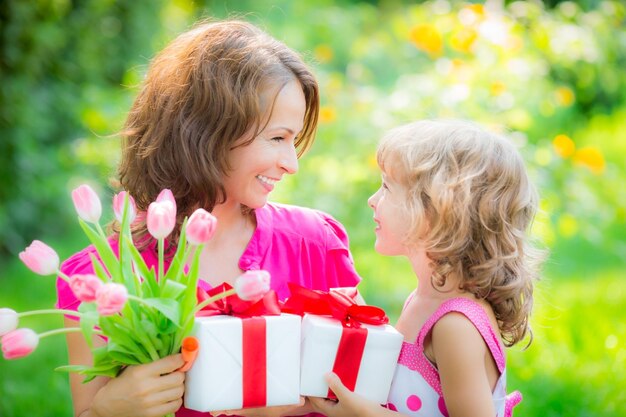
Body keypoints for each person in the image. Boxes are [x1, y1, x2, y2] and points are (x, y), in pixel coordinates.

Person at [56, 19, 361, 417]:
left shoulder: (315, 242)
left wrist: (287, 406)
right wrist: (106, 410)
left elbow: (365, 387)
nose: (291, 164)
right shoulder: (101, 278)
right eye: (277, 138)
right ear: (207, 133)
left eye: (294, 139)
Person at [310, 120, 544, 417]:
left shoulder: (455, 325)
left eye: (386, 187)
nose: (372, 201)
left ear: (436, 212)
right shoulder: (425, 300)